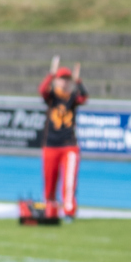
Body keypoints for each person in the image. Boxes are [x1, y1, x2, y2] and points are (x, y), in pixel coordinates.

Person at [39, 55, 86, 219]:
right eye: (62, 79)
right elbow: (42, 90)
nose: (65, 82)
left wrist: (78, 82)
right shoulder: (52, 96)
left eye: (67, 79)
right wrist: (51, 74)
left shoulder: (72, 98)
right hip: (51, 144)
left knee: (69, 181)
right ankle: (50, 209)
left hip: (69, 145)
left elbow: (84, 97)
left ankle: (68, 211)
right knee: (49, 181)